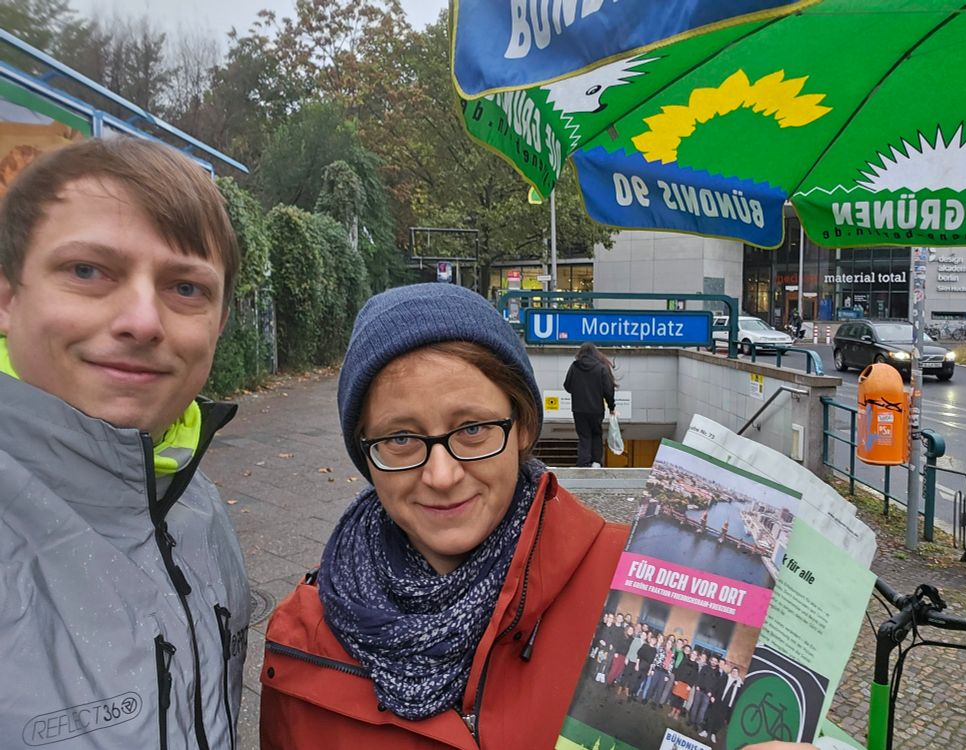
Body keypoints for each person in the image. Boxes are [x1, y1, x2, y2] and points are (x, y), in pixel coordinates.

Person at [257, 283, 816, 750]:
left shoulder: (634, 575)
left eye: (472, 429)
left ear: (523, 429)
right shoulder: (302, 640)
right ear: (365, 453)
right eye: (401, 438)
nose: (443, 474)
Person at [0, 137, 250, 748]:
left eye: (186, 288)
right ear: (7, 296)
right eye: (88, 271)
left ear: (217, 324)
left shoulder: (196, 504)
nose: (143, 320)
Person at [563, 341, 616, 467]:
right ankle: (596, 462)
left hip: (578, 409)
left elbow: (567, 386)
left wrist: (578, 391)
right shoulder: (601, 368)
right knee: (596, 434)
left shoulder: (575, 366)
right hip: (596, 409)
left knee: (584, 436)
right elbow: (608, 389)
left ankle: (583, 462)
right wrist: (611, 407)